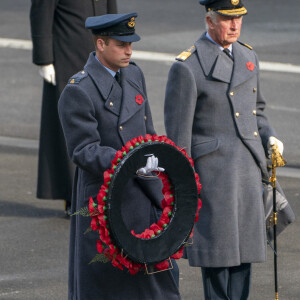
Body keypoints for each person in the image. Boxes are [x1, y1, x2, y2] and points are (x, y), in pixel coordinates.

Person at [164, 1, 284, 299]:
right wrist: (183, 188)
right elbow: (178, 137)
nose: (235, 26)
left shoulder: (247, 56)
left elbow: (256, 110)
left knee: (244, 257)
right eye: (227, 19)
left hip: (246, 172)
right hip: (213, 179)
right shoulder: (189, 66)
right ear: (209, 20)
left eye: (239, 19)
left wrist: (269, 136)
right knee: (217, 261)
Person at [58, 13, 181, 299]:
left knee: (155, 280)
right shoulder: (79, 90)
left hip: (143, 195)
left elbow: (148, 131)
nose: (129, 51)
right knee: (109, 283)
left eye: (131, 44)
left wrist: (156, 160)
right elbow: (83, 151)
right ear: (101, 44)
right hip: (106, 199)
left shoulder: (134, 74)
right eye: (121, 44)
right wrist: (131, 160)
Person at [30, 0, 117, 215]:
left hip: (100, 54)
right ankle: (73, 196)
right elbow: (42, 11)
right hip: (66, 55)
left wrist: (116, 42)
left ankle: (105, 190)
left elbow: (110, 8)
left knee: (105, 121)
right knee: (70, 130)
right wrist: (44, 59)